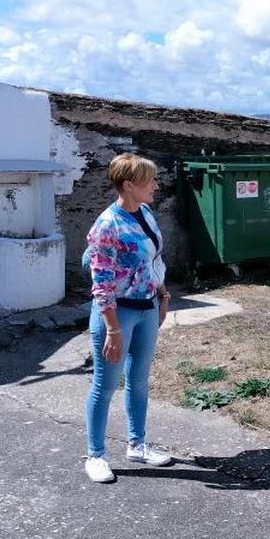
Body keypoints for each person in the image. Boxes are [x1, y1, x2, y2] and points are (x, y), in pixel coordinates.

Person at [81, 153, 175, 483]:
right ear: (129, 185)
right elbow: (102, 285)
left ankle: (137, 445)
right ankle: (95, 455)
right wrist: (112, 329)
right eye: (150, 180)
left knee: (138, 380)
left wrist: (162, 296)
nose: (156, 185)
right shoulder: (107, 226)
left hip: (147, 307)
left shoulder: (145, 213)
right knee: (104, 386)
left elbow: (153, 261)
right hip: (117, 313)